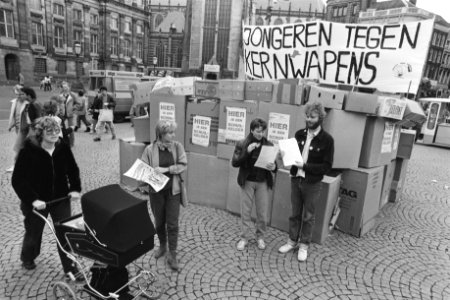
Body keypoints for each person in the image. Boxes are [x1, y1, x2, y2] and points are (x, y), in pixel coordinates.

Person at [11, 116, 82, 279]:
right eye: (49, 130)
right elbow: (17, 179)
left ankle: (71, 268)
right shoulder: (28, 150)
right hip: (36, 202)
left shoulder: (62, 147)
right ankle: (28, 257)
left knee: (65, 232)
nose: (54, 133)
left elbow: (72, 169)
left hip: (60, 199)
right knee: (33, 232)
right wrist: (33, 199)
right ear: (40, 133)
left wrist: (75, 188)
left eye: (57, 130)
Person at [278, 101, 334, 262]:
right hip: (296, 179)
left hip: (312, 182)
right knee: (295, 213)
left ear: (320, 118)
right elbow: (292, 156)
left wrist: (306, 166)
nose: (309, 119)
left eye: (313, 117)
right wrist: (284, 155)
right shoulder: (299, 134)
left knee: (308, 216)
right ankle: (292, 241)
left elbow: (327, 166)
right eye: (307, 116)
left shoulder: (327, 140)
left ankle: (304, 245)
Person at [140, 120, 187, 271]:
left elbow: (183, 165)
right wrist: (149, 174)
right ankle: (162, 246)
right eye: (170, 132)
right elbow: (143, 169)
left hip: (173, 191)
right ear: (161, 134)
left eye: (173, 132)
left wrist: (166, 170)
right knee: (159, 222)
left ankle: (172, 255)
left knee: (172, 224)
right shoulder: (149, 149)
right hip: (156, 192)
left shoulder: (177, 146)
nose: (173, 135)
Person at [231, 118, 277, 251]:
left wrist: (273, 166)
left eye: (262, 131)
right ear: (251, 130)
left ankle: (260, 237)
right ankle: (244, 238)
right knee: (245, 211)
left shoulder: (269, 144)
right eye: (257, 131)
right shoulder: (242, 143)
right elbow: (235, 163)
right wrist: (247, 152)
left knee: (262, 213)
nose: (260, 134)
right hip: (247, 182)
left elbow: (275, 167)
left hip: (262, 182)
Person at [7, 86, 42, 172]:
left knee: (27, 148)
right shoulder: (27, 103)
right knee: (19, 147)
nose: (20, 95)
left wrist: (35, 129)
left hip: (31, 130)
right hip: (24, 130)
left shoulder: (35, 104)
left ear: (28, 95)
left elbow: (39, 118)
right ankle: (18, 165)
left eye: (22, 94)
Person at [59, 81, 79, 147]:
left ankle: (71, 143)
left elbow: (78, 103)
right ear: (62, 88)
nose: (65, 88)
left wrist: (73, 108)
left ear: (69, 87)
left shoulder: (73, 95)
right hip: (62, 114)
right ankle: (63, 141)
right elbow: (58, 103)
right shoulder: (60, 95)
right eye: (64, 87)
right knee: (61, 128)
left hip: (70, 114)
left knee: (71, 128)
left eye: (66, 87)